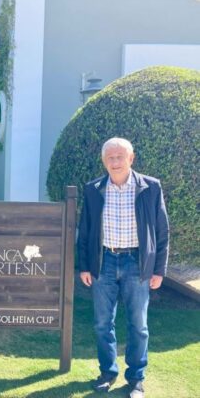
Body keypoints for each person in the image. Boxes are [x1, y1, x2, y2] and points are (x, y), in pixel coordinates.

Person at [78, 137, 169, 398]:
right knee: (102, 324)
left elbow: (162, 231)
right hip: (103, 262)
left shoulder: (150, 188)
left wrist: (158, 270)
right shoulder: (94, 189)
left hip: (137, 264)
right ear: (104, 161)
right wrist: (84, 266)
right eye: (110, 158)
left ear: (131, 158)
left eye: (120, 157)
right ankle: (107, 373)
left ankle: (136, 379)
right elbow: (85, 230)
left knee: (138, 324)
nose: (115, 162)